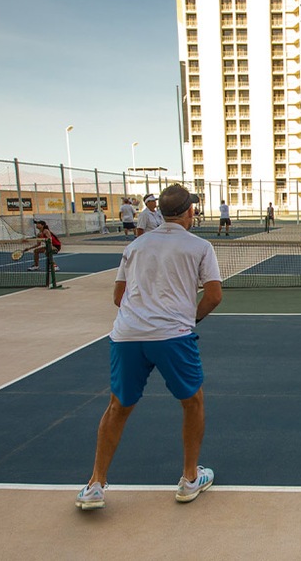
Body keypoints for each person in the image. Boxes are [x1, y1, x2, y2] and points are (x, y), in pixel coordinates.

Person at [76, 184, 223, 511]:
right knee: (193, 403)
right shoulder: (200, 246)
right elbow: (213, 296)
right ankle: (189, 479)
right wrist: (188, 319)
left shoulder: (136, 245)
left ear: (161, 212)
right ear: (189, 212)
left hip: (127, 335)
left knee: (118, 406)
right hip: (174, 337)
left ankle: (95, 485)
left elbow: (118, 296)